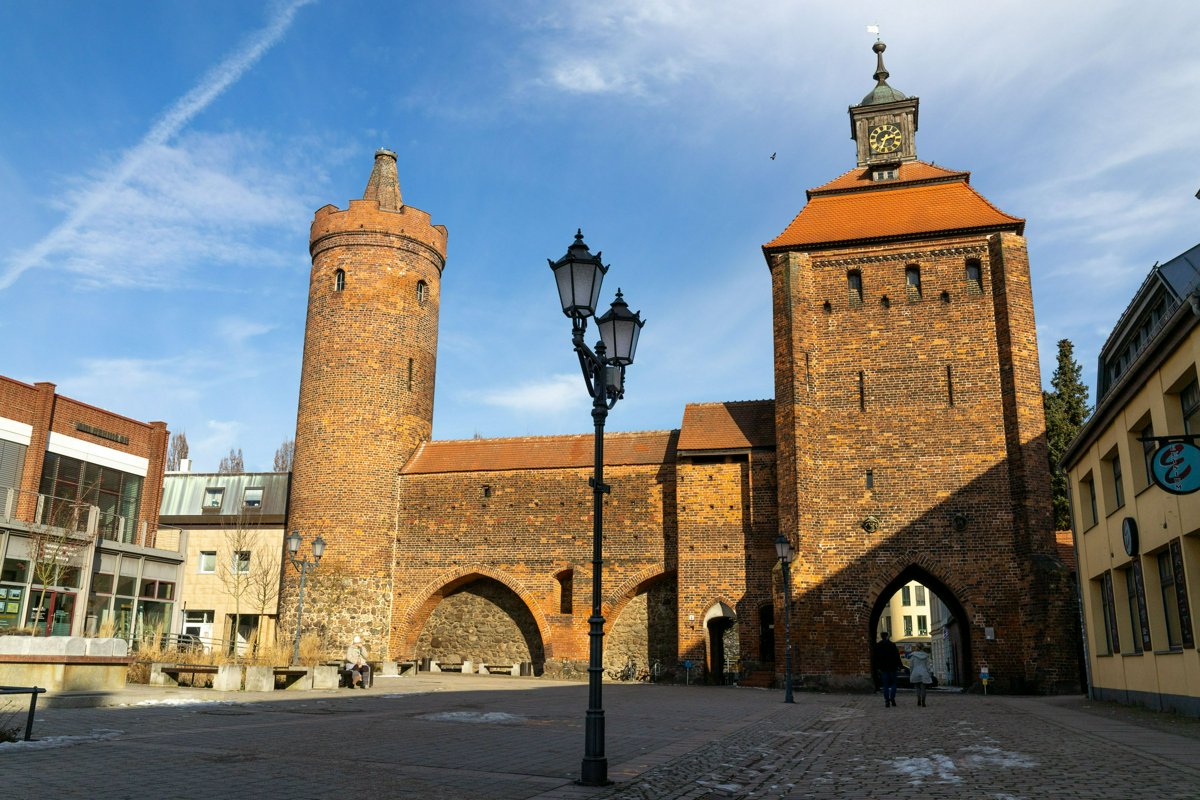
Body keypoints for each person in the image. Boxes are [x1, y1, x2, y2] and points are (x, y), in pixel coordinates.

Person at [873, 631, 902, 707]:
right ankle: (892, 698)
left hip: (883, 668)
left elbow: (876, 658)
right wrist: (899, 665)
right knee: (893, 684)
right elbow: (897, 656)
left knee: (885, 685)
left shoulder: (878, 645)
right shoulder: (892, 645)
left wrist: (877, 667)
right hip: (892, 667)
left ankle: (887, 701)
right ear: (887, 636)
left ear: (881, 636)